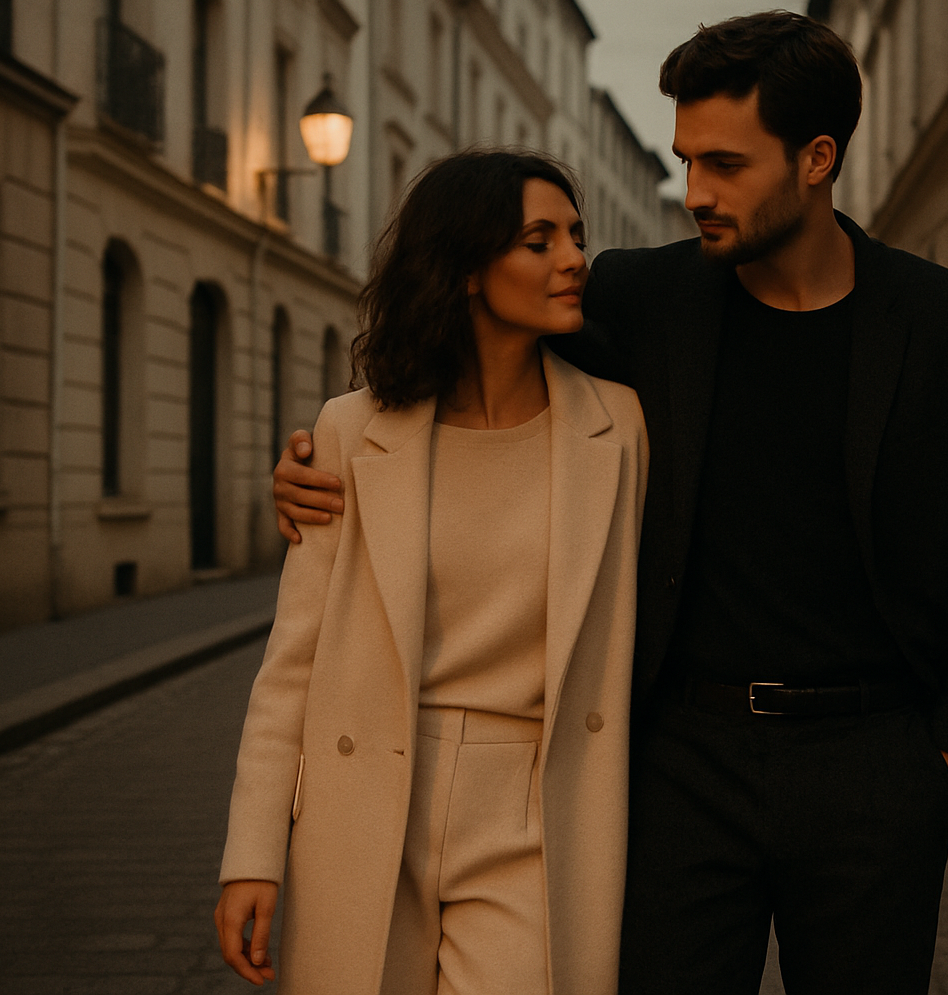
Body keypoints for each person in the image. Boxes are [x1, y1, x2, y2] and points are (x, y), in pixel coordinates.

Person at [273, 12, 948, 995]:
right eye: (687, 160)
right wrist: (322, 462)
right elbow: (468, 380)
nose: (694, 194)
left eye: (724, 165)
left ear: (818, 158)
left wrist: (947, 753)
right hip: (679, 762)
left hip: (872, 759)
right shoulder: (638, 298)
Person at [215, 149, 648, 995]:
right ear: (464, 270)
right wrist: (252, 854)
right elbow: (292, 663)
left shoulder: (619, 428)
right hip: (368, 790)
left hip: (538, 803)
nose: (573, 259)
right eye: (539, 239)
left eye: (575, 236)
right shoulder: (349, 432)